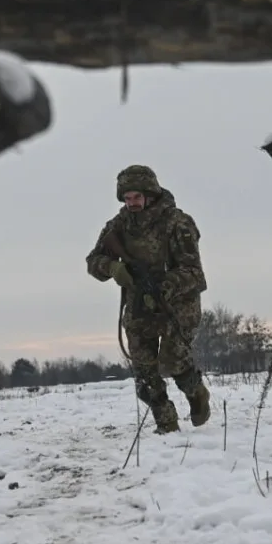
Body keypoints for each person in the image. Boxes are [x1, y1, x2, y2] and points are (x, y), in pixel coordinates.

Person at [85, 164, 211, 434]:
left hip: (178, 305)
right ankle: (167, 426)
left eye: (137, 197)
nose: (132, 203)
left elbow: (194, 273)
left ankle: (197, 394)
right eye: (127, 198)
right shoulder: (118, 226)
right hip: (139, 305)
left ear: (150, 194)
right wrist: (113, 268)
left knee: (175, 363)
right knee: (144, 373)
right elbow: (93, 261)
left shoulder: (177, 223)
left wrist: (164, 288)